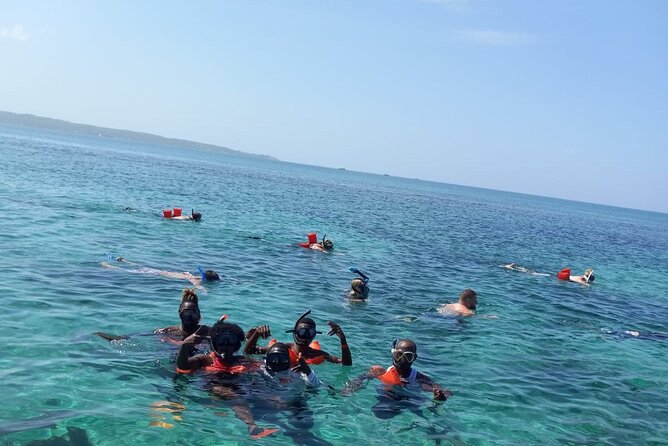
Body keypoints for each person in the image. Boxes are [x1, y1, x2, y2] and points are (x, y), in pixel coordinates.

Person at [176, 320, 278, 439]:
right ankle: (253, 427)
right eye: (221, 342)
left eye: (230, 342)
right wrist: (184, 345)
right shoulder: (206, 360)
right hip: (214, 387)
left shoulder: (242, 360)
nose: (225, 346)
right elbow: (183, 365)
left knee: (272, 399)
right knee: (236, 399)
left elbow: (258, 362)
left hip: (240, 386)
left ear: (236, 345)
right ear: (214, 343)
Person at [342, 338, 452, 419]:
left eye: (408, 357)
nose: (401, 360)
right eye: (398, 355)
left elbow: (445, 392)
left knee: (425, 416)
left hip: (409, 401)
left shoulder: (419, 378)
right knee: (379, 412)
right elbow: (361, 378)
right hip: (386, 400)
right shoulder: (381, 372)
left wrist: (439, 396)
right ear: (393, 354)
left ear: (414, 358)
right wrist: (351, 388)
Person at [245, 310, 352, 366]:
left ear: (313, 335)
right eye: (302, 332)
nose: (305, 337)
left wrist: (343, 339)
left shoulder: (318, 355)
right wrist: (257, 334)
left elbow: (345, 364)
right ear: (295, 333)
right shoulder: (283, 349)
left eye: (309, 333)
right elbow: (249, 352)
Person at [101, 256, 219, 292]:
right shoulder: (196, 280)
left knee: (139, 268)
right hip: (161, 274)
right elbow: (198, 286)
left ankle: (123, 261)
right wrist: (205, 291)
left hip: (162, 272)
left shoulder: (194, 277)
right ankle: (110, 267)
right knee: (133, 271)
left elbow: (189, 276)